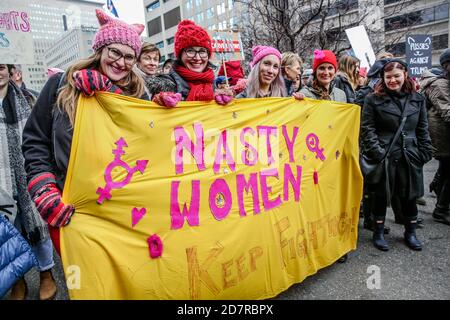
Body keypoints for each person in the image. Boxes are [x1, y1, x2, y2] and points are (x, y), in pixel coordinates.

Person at [22, 10, 147, 258]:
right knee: (84, 281)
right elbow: (35, 141)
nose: (121, 62)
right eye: (114, 52)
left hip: (124, 208)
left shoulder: (140, 95)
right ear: (100, 50)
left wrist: (164, 110)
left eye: (130, 57)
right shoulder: (60, 84)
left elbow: (152, 145)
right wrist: (45, 189)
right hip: (71, 206)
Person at [361, 58, 432, 251]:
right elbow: (367, 129)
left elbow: (422, 128)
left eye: (396, 76)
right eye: (388, 77)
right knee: (381, 195)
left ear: (405, 75)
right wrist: (377, 152)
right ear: (383, 78)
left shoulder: (418, 99)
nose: (392, 80)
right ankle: (378, 231)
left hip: (410, 154)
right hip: (384, 155)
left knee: (410, 195)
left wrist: (425, 152)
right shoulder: (373, 99)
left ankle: (410, 232)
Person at [0, 63, 56, 300]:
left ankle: (47, 275)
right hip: (2, 181)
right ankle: (18, 280)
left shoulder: (30, 98)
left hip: (27, 175)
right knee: (8, 232)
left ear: (11, 70)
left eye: (1, 66)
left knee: (37, 227)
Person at [146, 20, 233, 107]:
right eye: (190, 51)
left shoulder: (214, 84)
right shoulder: (165, 85)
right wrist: (158, 102)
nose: (197, 58)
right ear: (180, 55)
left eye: (202, 51)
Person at [420, 48, 450, 225]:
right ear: (446, 65)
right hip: (442, 135)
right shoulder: (439, 84)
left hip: (445, 134)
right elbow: (447, 112)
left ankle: (437, 186)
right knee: (448, 168)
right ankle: (441, 210)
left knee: (446, 168)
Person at [236, 45, 303, 100]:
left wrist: (296, 104)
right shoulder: (241, 99)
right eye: (267, 64)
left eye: (275, 67)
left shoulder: (284, 97)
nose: (271, 71)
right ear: (257, 66)